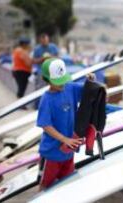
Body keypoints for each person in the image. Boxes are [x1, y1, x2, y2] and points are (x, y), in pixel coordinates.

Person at [36, 58, 84, 190]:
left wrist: (92, 81)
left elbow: (87, 90)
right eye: (58, 82)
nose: (62, 84)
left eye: (63, 80)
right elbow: (45, 125)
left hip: (68, 150)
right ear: (47, 80)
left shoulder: (70, 87)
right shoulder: (47, 99)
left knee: (66, 184)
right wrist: (64, 139)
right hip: (51, 153)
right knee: (46, 186)